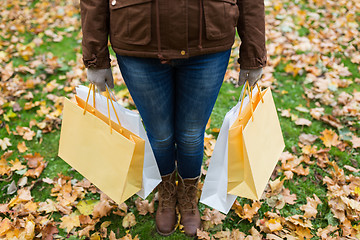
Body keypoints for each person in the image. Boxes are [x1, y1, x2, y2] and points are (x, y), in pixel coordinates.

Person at [79, 0, 266, 237]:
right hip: (138, 41)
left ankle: (188, 195)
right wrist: (95, 56)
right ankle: (166, 192)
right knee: (159, 135)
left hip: (208, 42)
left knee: (190, 135)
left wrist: (254, 52)